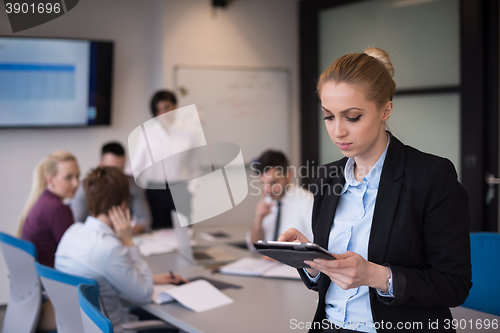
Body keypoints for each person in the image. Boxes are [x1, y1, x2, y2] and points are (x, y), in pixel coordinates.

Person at [279, 48, 472, 333]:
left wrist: (375, 275)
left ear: (386, 110)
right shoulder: (327, 177)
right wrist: (311, 261)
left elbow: (453, 286)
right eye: (329, 117)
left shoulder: (431, 176)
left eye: (352, 117)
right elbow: (328, 285)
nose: (337, 132)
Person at [55, 166, 187, 333]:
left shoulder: (71, 232)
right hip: (117, 328)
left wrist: (152, 278)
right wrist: (128, 241)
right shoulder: (110, 248)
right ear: (124, 203)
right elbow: (144, 294)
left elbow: (103, 274)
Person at [133, 90, 201, 229]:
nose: (163, 113)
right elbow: (137, 165)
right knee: (157, 234)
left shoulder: (190, 132)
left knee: (183, 235)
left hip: (180, 190)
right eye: (158, 110)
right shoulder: (147, 133)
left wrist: (191, 190)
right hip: (154, 190)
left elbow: (195, 166)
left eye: (167, 108)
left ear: (175, 106)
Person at [70, 141, 151, 234]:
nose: (117, 176)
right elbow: (76, 221)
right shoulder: (88, 185)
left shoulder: (132, 184)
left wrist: (128, 231)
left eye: (120, 170)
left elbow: (145, 219)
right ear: (100, 165)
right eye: (112, 170)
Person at [18, 150, 79, 268]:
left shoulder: (43, 201)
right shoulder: (57, 209)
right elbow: (74, 255)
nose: (76, 183)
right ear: (50, 180)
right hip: (52, 280)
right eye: (68, 177)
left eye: (77, 176)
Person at [249, 150, 313, 245]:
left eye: (273, 182)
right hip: (265, 260)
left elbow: (318, 246)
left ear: (288, 175)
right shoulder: (268, 199)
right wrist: (259, 218)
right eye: (263, 183)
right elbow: (254, 245)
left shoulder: (307, 201)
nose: (268, 190)